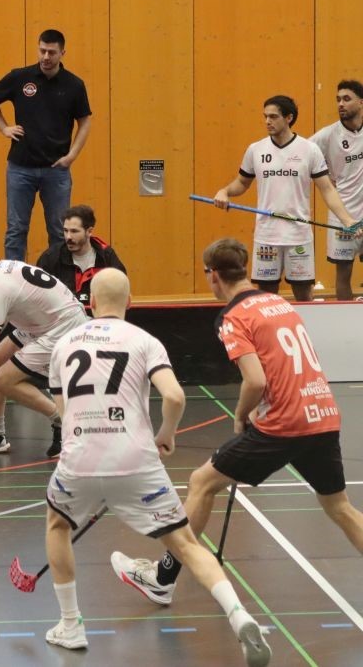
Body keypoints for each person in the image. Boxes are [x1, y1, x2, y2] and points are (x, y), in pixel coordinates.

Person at [111, 238, 363, 615]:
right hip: (322, 412)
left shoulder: (234, 317)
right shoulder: (278, 302)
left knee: (202, 482)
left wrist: (242, 414)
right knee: (340, 507)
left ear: (213, 275)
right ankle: (163, 576)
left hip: (284, 422)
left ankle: (162, 578)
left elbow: (255, 380)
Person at [42, 268, 270, 665]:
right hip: (135, 460)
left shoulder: (63, 345)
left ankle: (70, 625)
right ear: (130, 302)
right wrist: (165, 433)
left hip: (79, 461)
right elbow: (175, 397)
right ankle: (239, 616)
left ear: (90, 303)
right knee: (186, 544)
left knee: (58, 526)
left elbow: (64, 412)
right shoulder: (145, 341)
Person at [0, 237, 87, 457]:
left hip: (62, 327)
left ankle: (63, 420)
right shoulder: (1, 268)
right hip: (44, 322)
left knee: (3, 379)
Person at [213, 95, 359, 302]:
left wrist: (347, 220)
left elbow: (327, 189)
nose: (267, 121)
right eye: (265, 117)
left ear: (289, 118)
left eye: (273, 117)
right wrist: (224, 192)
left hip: (298, 236)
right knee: (266, 296)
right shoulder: (256, 150)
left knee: (304, 295)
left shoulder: (309, 150)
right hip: (266, 236)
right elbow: (242, 183)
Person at [0, 29, 92, 262]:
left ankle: (59, 279)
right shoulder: (21, 77)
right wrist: (4, 127)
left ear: (62, 53)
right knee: (16, 230)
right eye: (42, 51)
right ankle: (14, 280)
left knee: (60, 232)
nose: (46, 57)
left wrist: (72, 156)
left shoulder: (74, 85)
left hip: (57, 169)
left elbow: (85, 122)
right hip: (20, 167)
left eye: (51, 52)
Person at [310, 80, 363, 300]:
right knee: (343, 274)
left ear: (361, 102)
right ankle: (346, 318)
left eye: (346, 99)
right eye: (338, 99)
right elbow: (300, 155)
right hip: (343, 215)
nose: (340, 104)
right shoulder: (327, 135)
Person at [36, 204, 126, 305]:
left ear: (89, 231)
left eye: (74, 231)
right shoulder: (51, 257)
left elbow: (120, 292)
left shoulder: (107, 257)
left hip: (98, 313)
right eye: (65, 231)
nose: (68, 237)